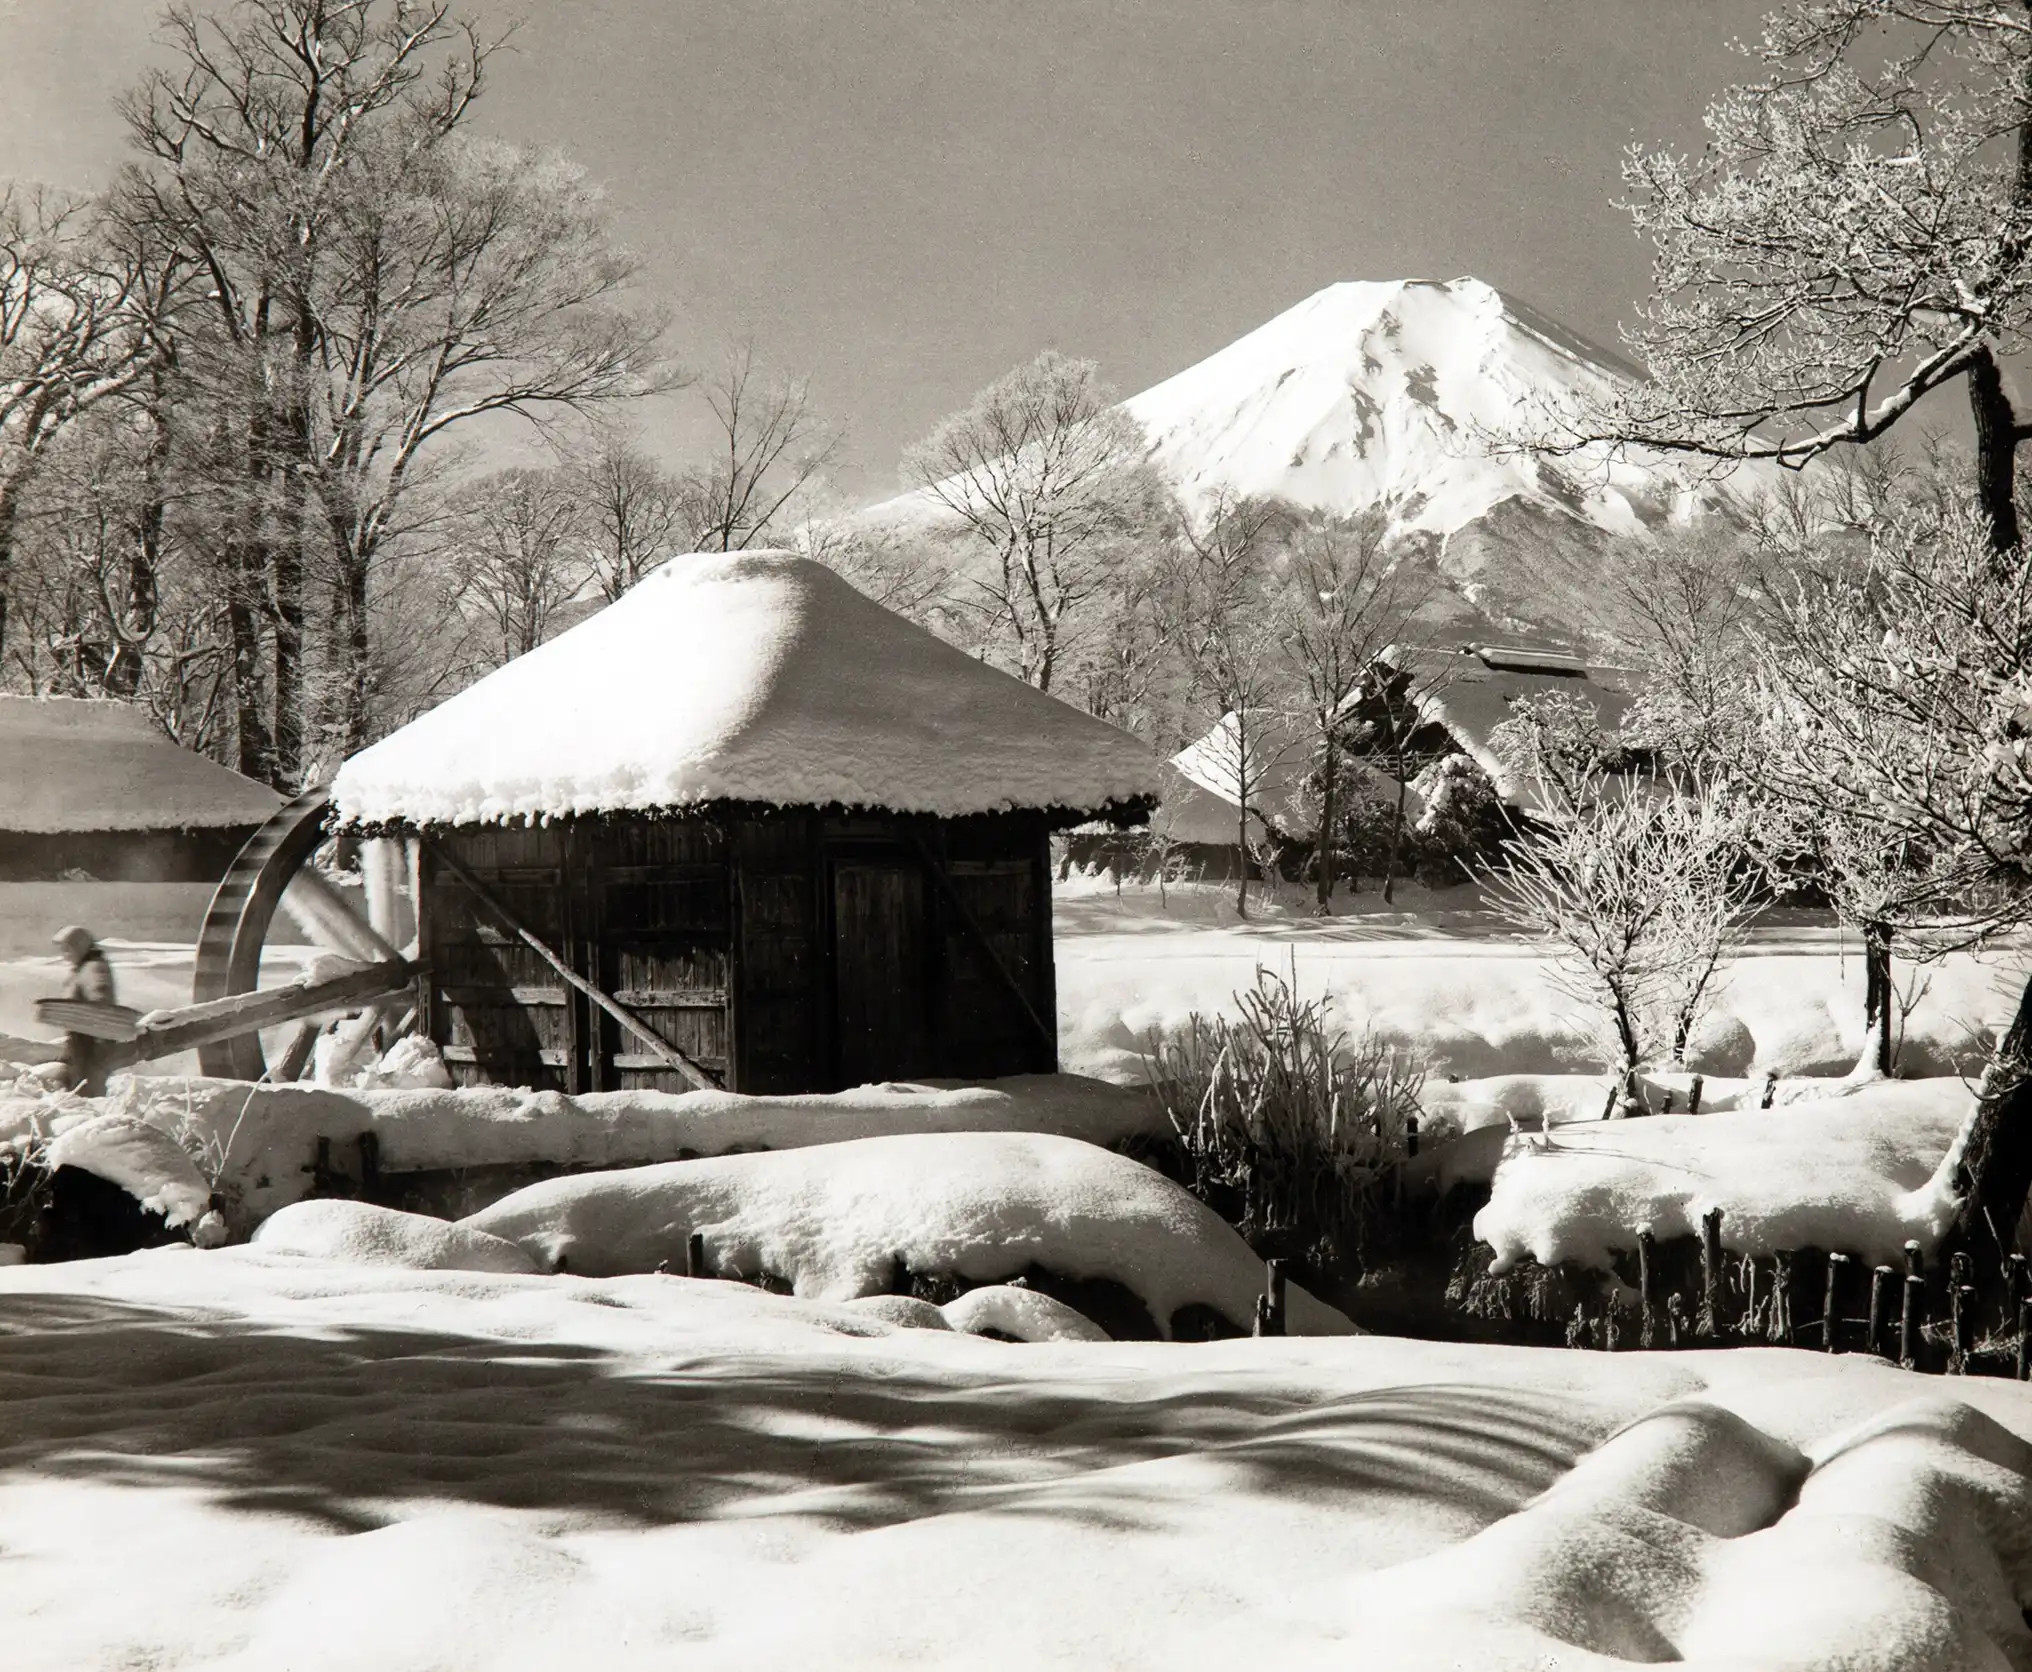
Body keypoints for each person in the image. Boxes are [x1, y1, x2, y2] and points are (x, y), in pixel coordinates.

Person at [52, 924, 116, 1097]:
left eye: (68, 950)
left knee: (88, 1091)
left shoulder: (93, 968)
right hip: (82, 1040)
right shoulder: (84, 967)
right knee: (77, 1088)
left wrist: (94, 1013)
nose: (65, 956)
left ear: (79, 946)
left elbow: (100, 995)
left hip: (91, 1042)